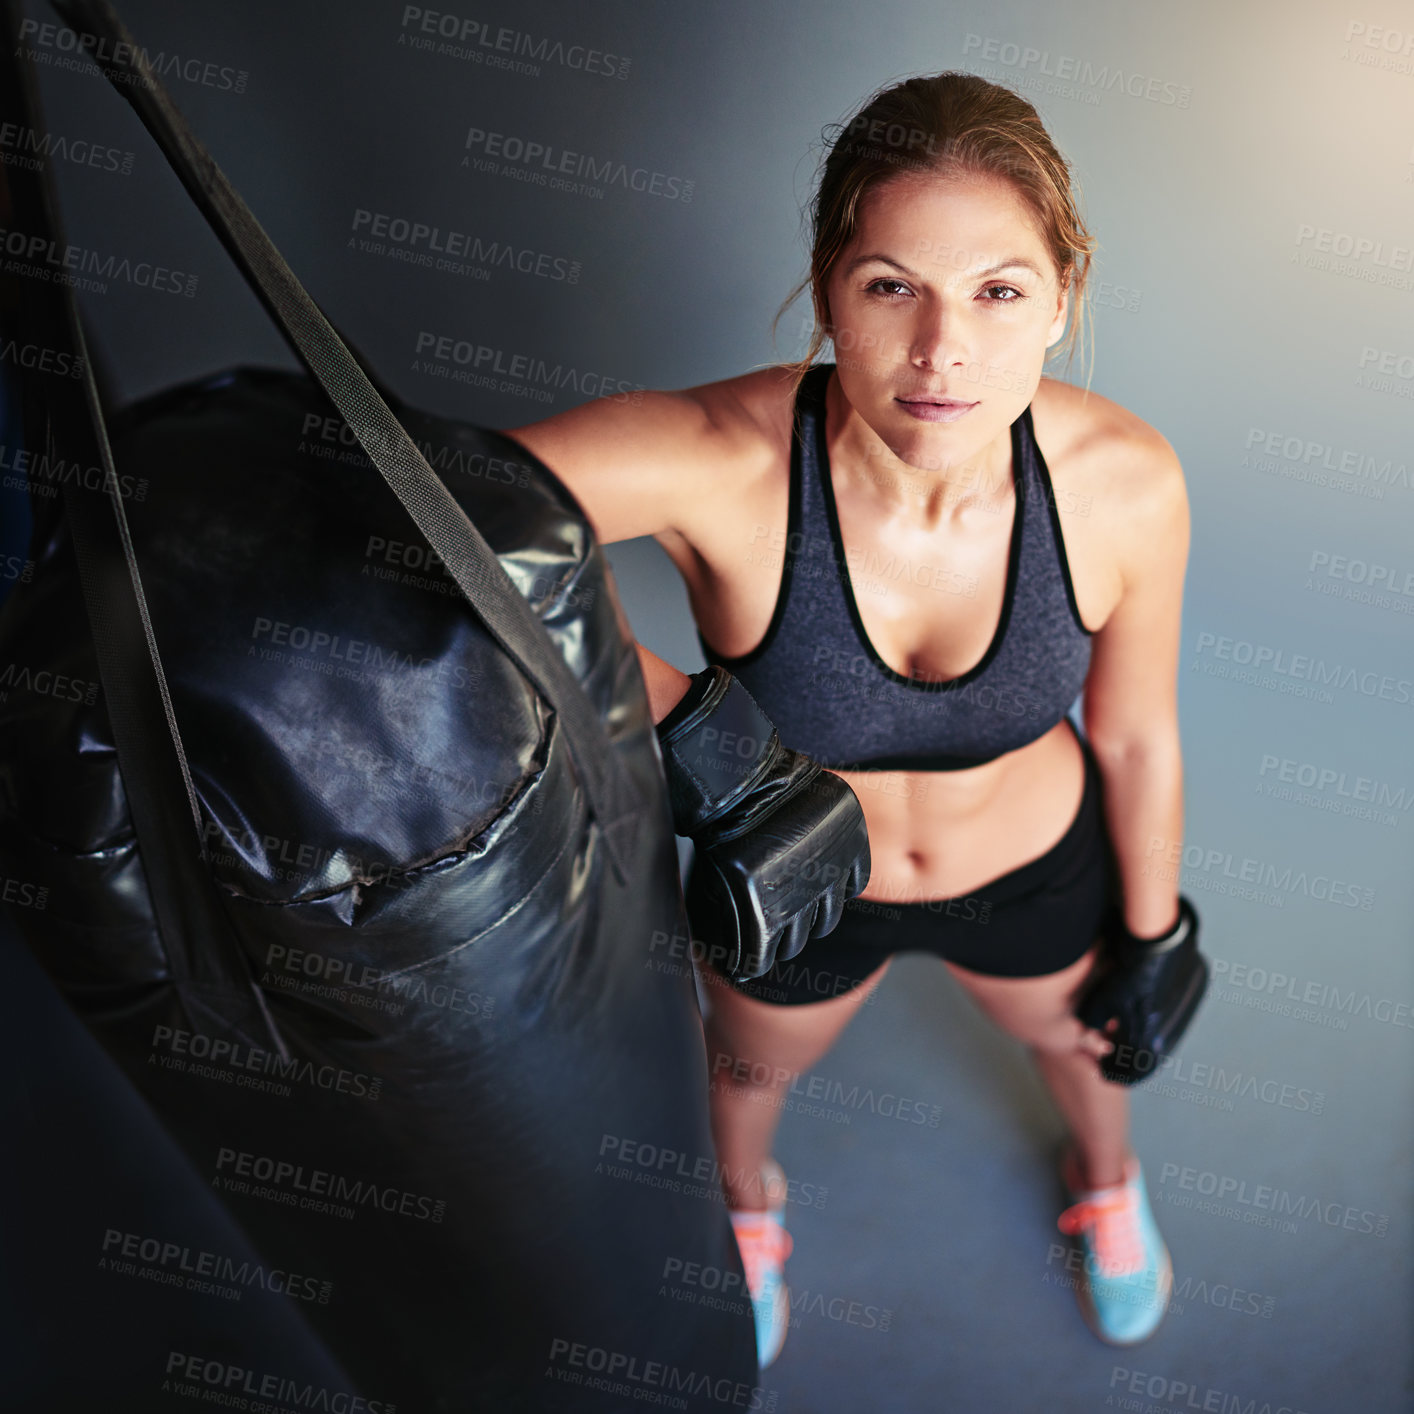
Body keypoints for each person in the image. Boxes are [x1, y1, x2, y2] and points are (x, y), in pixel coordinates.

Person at [508, 71, 1190, 1363]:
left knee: (1087, 1045)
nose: (943, 351)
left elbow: (1138, 733)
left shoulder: (1122, 482)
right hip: (798, 882)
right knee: (747, 1075)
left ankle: (1106, 1184)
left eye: (996, 290)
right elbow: (449, 521)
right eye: (890, 287)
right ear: (828, 284)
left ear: (1063, 295)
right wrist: (679, 715)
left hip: (1031, 865)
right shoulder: (729, 459)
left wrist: (1152, 930)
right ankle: (747, 1212)